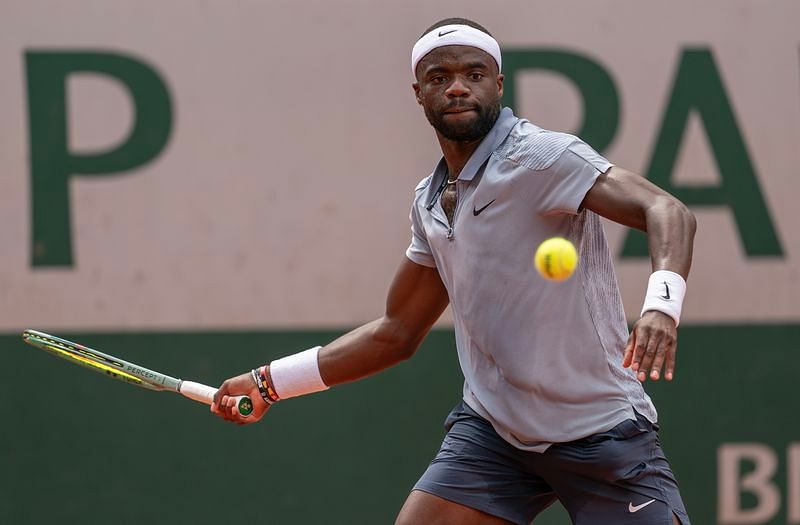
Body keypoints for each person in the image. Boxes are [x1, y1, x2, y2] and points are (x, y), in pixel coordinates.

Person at [211, 17, 696, 525]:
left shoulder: (543, 158)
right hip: (495, 436)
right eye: (439, 77)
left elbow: (666, 211)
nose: (458, 86)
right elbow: (395, 333)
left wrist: (662, 307)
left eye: (475, 73)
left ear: (499, 84)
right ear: (418, 93)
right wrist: (268, 384)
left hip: (603, 433)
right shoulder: (430, 203)